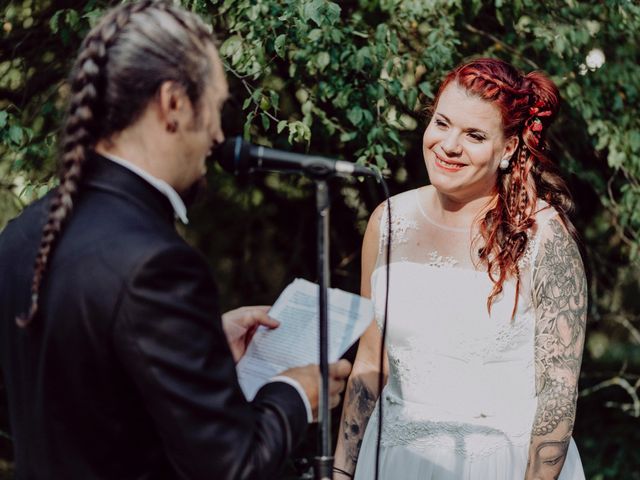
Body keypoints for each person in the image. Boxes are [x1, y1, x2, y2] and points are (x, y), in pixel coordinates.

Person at [0, 2, 351, 479]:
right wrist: (292, 393)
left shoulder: (24, 232)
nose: (217, 134)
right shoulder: (157, 265)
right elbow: (233, 466)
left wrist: (198, 345)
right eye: (215, 107)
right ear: (173, 103)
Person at [333, 58, 587, 479]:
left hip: (499, 466)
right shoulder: (389, 221)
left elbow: (557, 395)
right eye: (441, 123)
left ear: (507, 149)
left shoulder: (543, 235)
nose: (449, 145)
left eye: (473, 135)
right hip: (394, 462)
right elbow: (370, 360)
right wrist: (341, 471)